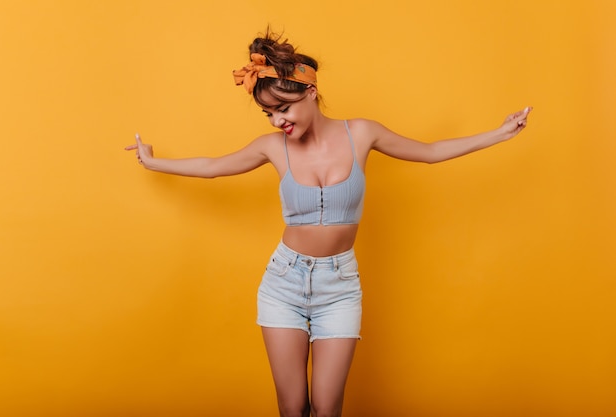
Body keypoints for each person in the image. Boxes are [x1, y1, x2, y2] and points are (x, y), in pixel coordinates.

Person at [125, 29, 532, 417]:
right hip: (283, 282)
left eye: (282, 109)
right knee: (291, 408)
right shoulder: (273, 147)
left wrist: (499, 134)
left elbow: (429, 151)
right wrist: (153, 160)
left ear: (312, 93)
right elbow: (213, 167)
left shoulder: (363, 134)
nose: (275, 121)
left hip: (339, 287)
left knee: (326, 408)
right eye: (268, 112)